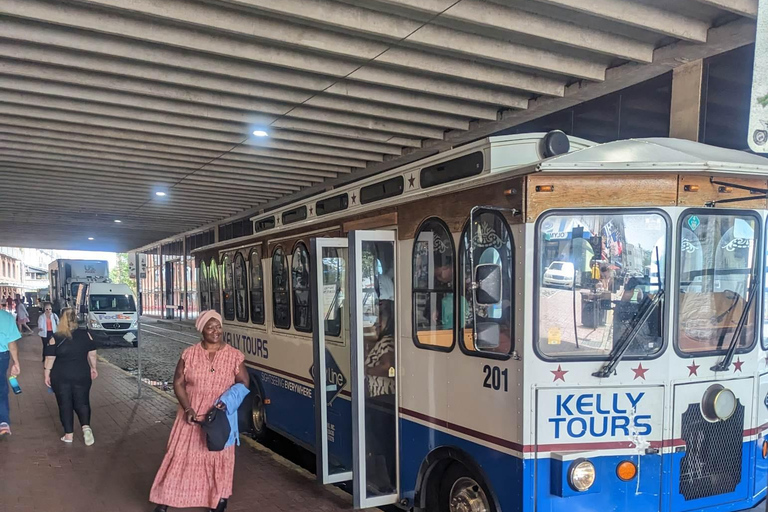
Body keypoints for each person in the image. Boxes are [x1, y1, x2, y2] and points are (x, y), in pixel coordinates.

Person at [150, 310, 249, 512]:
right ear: (201, 330)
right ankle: (165, 500)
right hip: (191, 416)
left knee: (218, 458)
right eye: (210, 327)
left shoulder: (234, 356)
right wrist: (188, 407)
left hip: (220, 418)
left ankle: (219, 498)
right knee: (179, 456)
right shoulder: (189, 354)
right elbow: (178, 382)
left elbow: (243, 383)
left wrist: (225, 403)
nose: (216, 331)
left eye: (218, 326)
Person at [43, 308, 99, 445]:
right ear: (76, 319)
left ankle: (69, 435)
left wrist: (46, 373)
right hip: (81, 373)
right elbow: (92, 354)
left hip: (61, 375)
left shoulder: (55, 337)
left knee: (65, 403)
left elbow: (49, 358)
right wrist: (93, 368)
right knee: (83, 401)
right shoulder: (86, 335)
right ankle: (86, 428)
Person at [0, 309, 21, 436]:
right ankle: (3, 422)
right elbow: (12, 343)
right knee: (1, 387)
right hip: (2, 356)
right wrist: (16, 362)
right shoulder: (6, 317)